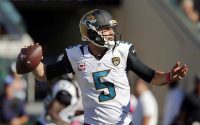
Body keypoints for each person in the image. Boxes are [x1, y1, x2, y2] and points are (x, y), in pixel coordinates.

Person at [20, 9, 188, 124]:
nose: (111, 33)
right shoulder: (76, 55)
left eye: (111, 28)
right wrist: (33, 63)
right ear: (91, 32)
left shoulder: (122, 51)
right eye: (105, 29)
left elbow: (151, 76)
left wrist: (168, 76)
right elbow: (44, 74)